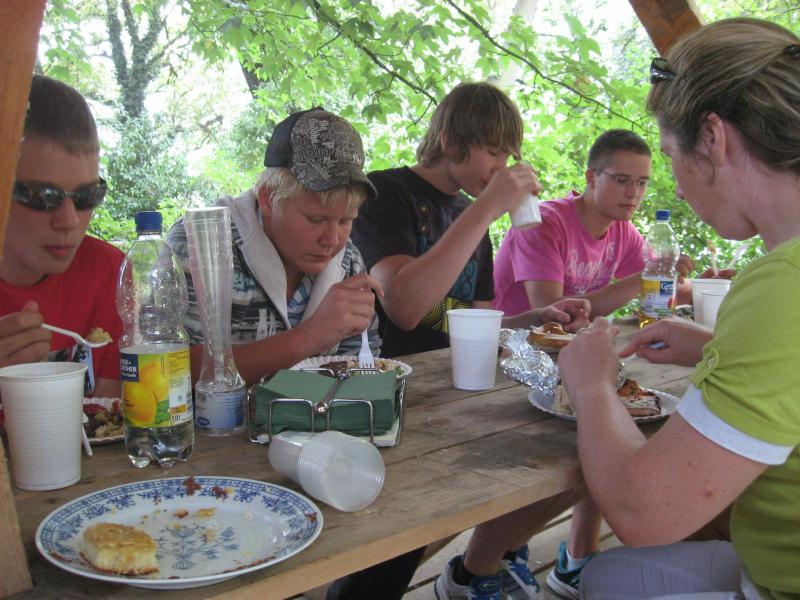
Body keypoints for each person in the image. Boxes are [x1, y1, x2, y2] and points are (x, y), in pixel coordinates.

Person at [558, 18, 800, 599]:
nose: (677, 186)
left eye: (669, 155)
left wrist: (591, 384)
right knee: (605, 577)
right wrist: (717, 347)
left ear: (712, 137)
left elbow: (644, 513)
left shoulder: (782, 285)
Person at [344, 82, 590, 600]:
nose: (502, 167)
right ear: (452, 141)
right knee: (394, 541)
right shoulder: (385, 193)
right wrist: (487, 210)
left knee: (566, 450)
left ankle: (485, 564)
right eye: (494, 151)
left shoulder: (474, 216)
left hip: (447, 398)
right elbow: (404, 305)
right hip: (383, 399)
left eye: (509, 155)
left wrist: (530, 318)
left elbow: (472, 323)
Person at [493, 129, 655, 598]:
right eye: (621, 179)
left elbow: (654, 290)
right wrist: (645, 280)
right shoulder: (545, 222)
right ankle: (498, 553)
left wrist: (689, 282)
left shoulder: (624, 232)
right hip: (508, 360)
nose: (633, 193)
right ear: (590, 177)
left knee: (609, 418)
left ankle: (578, 556)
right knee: (592, 426)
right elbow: (551, 311)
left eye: (642, 182)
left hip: (564, 365)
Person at [166, 107, 383, 386]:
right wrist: (310, 336)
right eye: (315, 219)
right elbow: (171, 369)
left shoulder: (347, 259)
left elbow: (364, 371)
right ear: (268, 198)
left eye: (345, 220)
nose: (332, 240)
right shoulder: (199, 245)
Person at [0, 75, 123, 398]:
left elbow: (104, 417)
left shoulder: (108, 273)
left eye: (86, 197)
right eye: (43, 197)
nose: (69, 220)